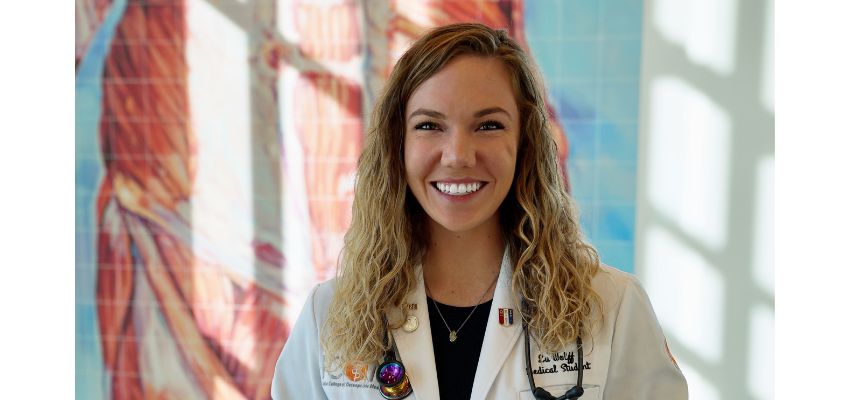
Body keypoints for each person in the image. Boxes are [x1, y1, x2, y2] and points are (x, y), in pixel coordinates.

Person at [271, 23, 688, 400]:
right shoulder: (327, 317)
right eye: (429, 125)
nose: (457, 156)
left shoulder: (613, 308)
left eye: (488, 125)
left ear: (525, 144)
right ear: (397, 145)